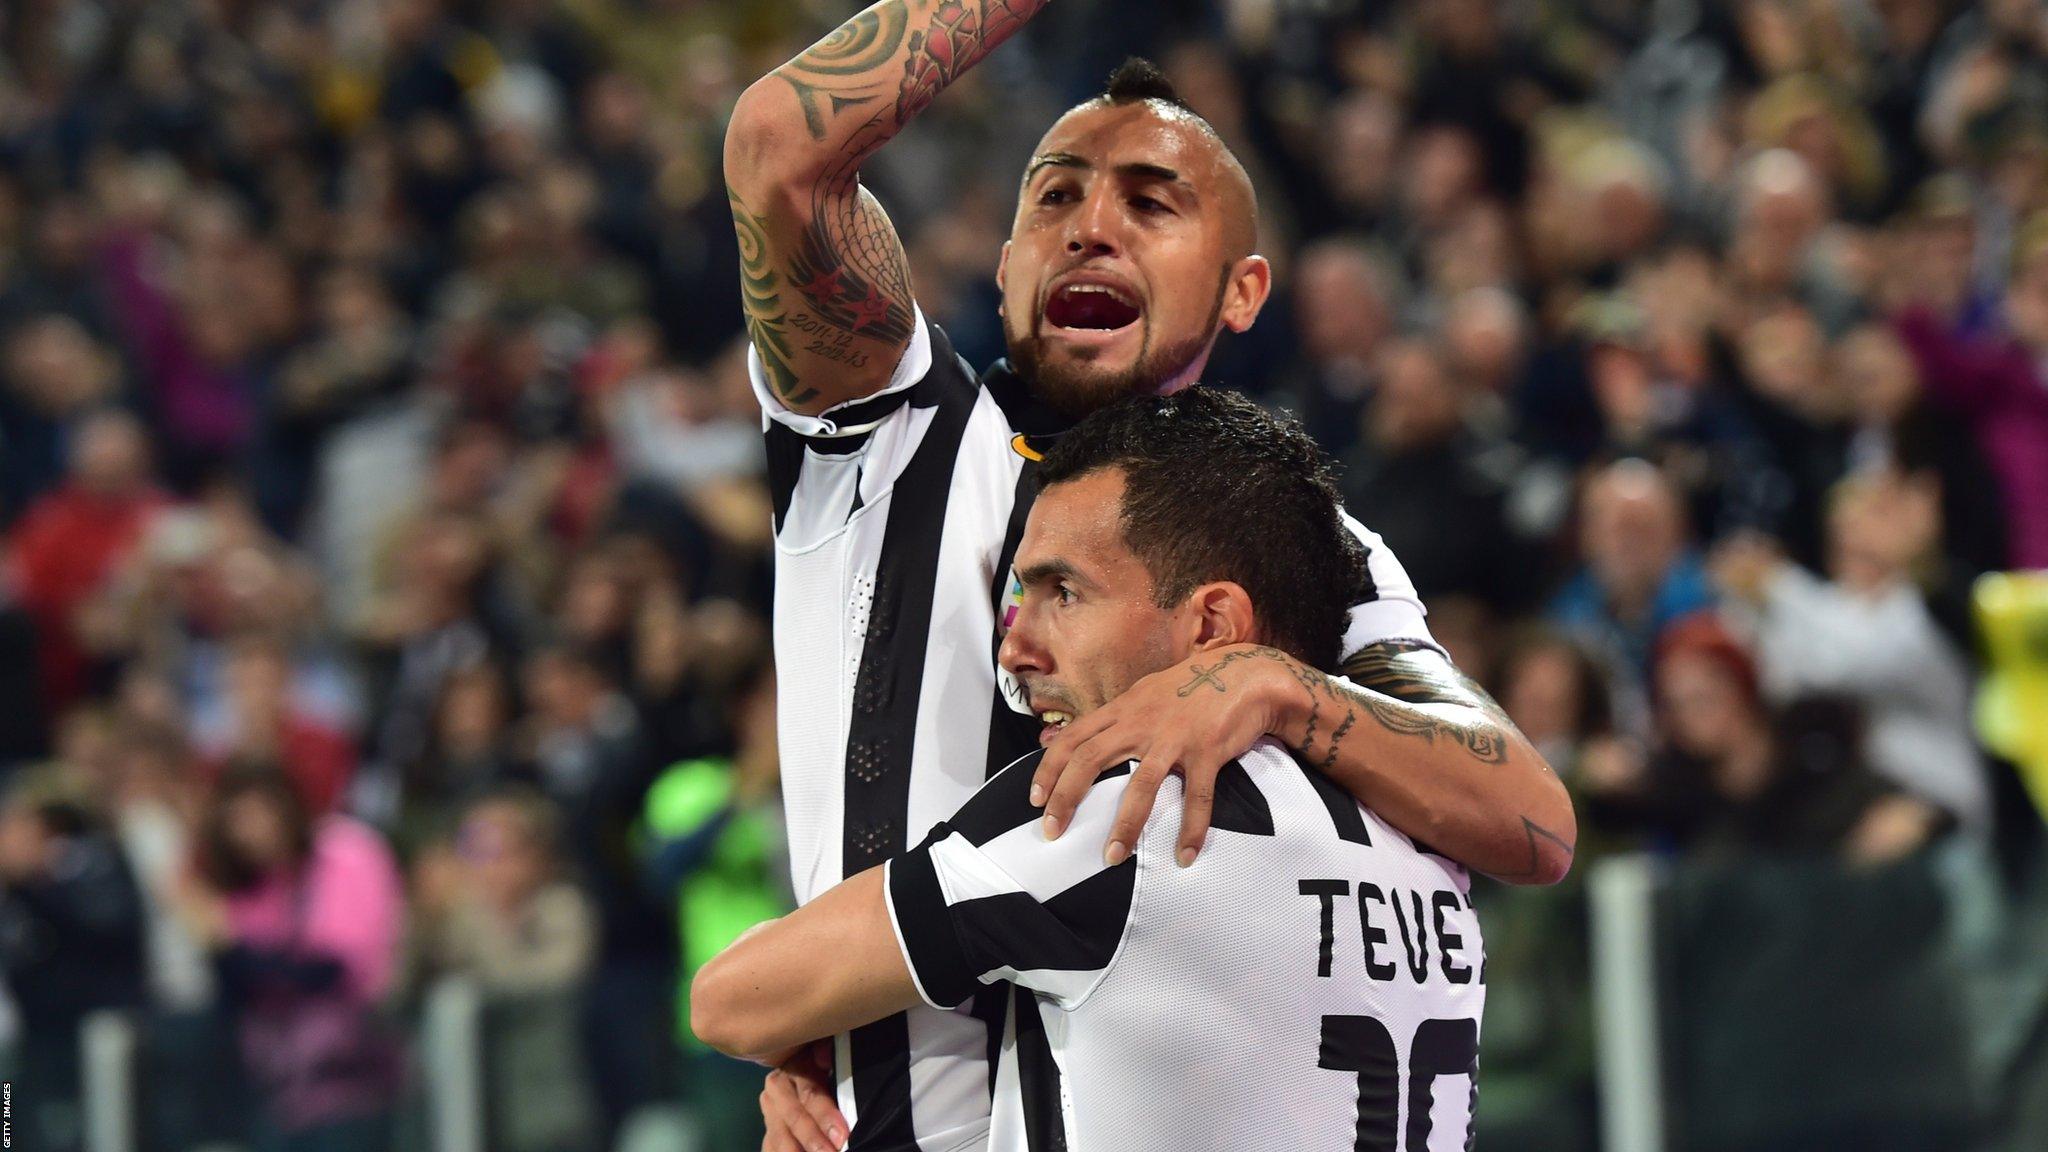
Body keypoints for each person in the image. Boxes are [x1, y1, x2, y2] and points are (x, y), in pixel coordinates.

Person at [726, 9, 1569, 1147]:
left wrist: (1277, 685)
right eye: (1055, 197)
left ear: (1241, 291)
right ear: (1006, 260)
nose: (1090, 228)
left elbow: (1528, 820)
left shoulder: (1311, 542)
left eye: (1149, 200)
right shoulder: (891, 442)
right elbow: (781, 146)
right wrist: (810, 1012)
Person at [693, 390, 1485, 1151]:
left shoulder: (1121, 810)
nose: (1016, 648)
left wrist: (813, 1033)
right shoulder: (1431, 832)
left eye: (1065, 592)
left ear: (1213, 625)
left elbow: (729, 1001)